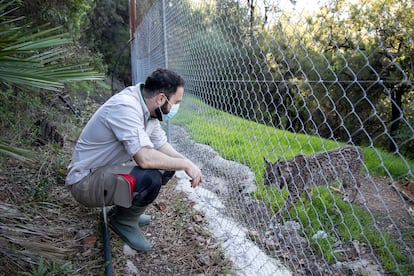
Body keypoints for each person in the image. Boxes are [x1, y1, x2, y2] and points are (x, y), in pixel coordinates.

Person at [65, 68, 203, 252]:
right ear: (161, 99)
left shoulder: (150, 110)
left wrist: (190, 164)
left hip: (105, 172)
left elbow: (162, 145)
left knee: (167, 164)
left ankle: (124, 213)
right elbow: (145, 159)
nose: (176, 108)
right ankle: (123, 221)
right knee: (149, 176)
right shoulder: (125, 107)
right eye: (176, 102)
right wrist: (185, 164)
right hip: (85, 183)